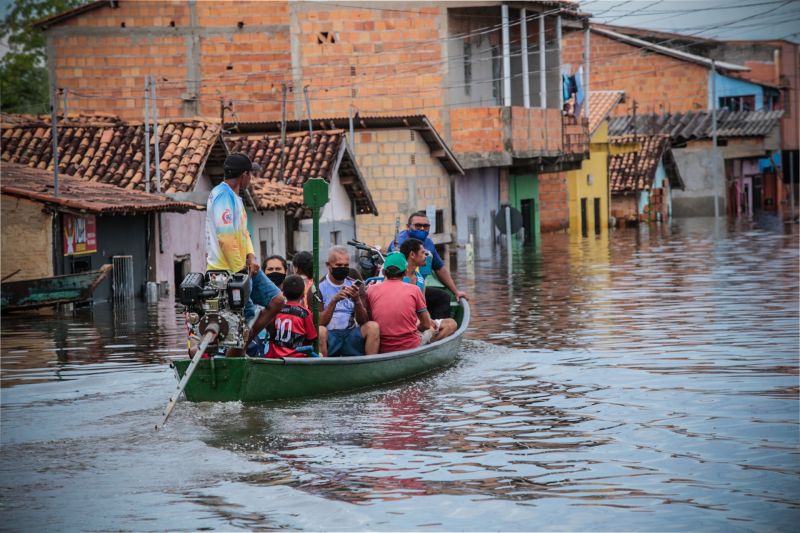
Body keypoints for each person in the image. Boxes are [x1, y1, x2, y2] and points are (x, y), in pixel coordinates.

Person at [206, 152, 283, 353]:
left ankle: (241, 348)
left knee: (276, 300)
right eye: (250, 175)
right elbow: (226, 238)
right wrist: (240, 271)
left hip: (243, 268)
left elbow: (243, 233)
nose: (251, 178)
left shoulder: (236, 198)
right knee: (244, 321)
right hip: (227, 271)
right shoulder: (222, 195)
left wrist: (251, 257)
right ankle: (236, 354)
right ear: (244, 175)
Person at [387, 211, 468, 319]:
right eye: (418, 225)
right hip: (397, 288)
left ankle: (438, 328)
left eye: (425, 226)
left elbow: (439, 268)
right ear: (408, 227)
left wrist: (456, 291)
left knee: (443, 296)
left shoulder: (428, 243)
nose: (422, 228)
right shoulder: (400, 243)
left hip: (417, 284)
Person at [366, 252, 434, 353]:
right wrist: (417, 328)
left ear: (384, 273)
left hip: (382, 347)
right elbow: (426, 324)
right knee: (432, 329)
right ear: (406, 272)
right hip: (410, 345)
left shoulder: (370, 289)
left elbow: (369, 318)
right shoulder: (414, 290)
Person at [318, 246, 379, 356]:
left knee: (373, 327)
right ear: (328, 265)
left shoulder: (356, 285)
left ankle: (370, 367)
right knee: (320, 330)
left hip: (350, 334)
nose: (343, 268)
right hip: (330, 335)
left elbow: (363, 321)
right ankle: (323, 369)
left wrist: (357, 300)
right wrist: (334, 301)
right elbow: (319, 322)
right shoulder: (319, 288)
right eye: (338, 265)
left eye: (346, 265)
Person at [400, 238, 458, 341]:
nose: (425, 256)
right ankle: (425, 340)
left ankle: (430, 343)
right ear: (412, 255)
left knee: (451, 324)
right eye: (423, 253)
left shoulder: (420, 279)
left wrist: (429, 320)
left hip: (419, 322)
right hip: (405, 322)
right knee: (429, 327)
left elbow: (423, 306)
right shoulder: (399, 278)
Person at [266, 275, 318, 359]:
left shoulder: (277, 310)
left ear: (283, 293)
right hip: (296, 357)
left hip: (276, 356)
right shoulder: (304, 313)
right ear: (303, 294)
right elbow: (312, 337)